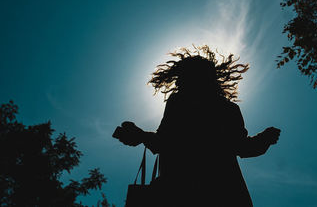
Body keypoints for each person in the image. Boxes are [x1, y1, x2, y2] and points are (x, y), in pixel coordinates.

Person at [113, 46, 281, 207]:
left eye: (185, 77)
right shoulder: (222, 108)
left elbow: (164, 142)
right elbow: (242, 147)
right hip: (220, 192)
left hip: (190, 191)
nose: (180, 83)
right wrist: (140, 135)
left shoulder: (184, 103)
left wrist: (140, 136)